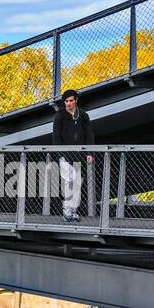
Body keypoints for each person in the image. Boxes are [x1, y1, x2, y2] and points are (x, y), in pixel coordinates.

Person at [52, 88, 95, 222]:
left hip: (79, 155)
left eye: (71, 101)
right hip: (65, 155)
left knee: (77, 183)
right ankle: (67, 210)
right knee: (69, 180)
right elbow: (56, 136)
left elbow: (89, 134)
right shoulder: (60, 115)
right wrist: (60, 154)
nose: (69, 103)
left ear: (75, 101)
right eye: (66, 101)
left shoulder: (83, 115)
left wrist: (90, 153)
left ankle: (72, 210)